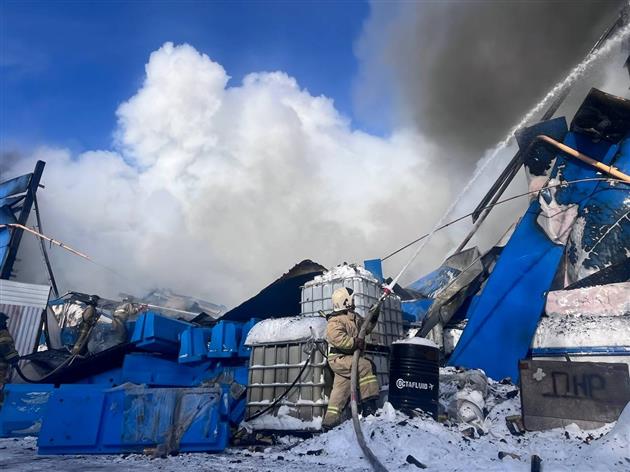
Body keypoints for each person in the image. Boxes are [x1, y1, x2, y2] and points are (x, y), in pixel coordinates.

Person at [322, 287, 380, 431]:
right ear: (345, 301)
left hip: (349, 359)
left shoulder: (353, 317)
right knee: (365, 366)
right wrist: (355, 343)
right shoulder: (334, 321)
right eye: (352, 299)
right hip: (339, 359)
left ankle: (328, 425)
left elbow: (366, 328)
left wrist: (374, 315)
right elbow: (338, 339)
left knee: (339, 394)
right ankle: (369, 408)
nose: (354, 302)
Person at [0, 312, 19, 388]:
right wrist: (14, 358)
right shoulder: (3, 333)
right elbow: (5, 347)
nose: (6, 324)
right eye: (4, 322)